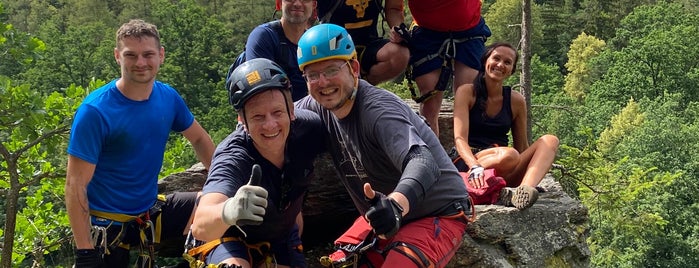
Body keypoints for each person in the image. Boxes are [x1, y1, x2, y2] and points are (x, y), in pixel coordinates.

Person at [295, 23, 470, 268]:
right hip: (383, 214)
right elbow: (275, 120)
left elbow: (423, 161)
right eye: (312, 75)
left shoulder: (378, 111)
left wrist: (396, 205)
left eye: (332, 69)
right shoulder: (318, 106)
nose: (323, 82)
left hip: (435, 212)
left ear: (354, 68)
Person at [65, 19, 215, 267]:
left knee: (216, 206)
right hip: (106, 227)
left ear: (161, 55)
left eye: (148, 54)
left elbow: (199, 138)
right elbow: (75, 185)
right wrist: (85, 251)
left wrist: (222, 179)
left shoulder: (167, 97)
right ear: (117, 56)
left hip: (147, 212)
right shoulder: (96, 111)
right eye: (130, 55)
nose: (141, 63)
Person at [188, 58, 325, 268]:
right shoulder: (234, 156)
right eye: (258, 116)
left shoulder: (310, 130)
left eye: (277, 112)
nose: (270, 125)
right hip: (228, 237)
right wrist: (229, 209)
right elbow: (200, 225)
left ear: (291, 111)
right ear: (242, 121)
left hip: (281, 236)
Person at [452, 42, 559, 210]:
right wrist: (474, 166)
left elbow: (522, 146)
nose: (500, 65)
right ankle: (499, 181)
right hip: (471, 163)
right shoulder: (467, 92)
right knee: (509, 155)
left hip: (505, 164)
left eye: (507, 62)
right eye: (496, 58)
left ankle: (523, 191)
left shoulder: (516, 101)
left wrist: (529, 168)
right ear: (486, 61)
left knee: (550, 140)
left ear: (511, 70)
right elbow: (459, 140)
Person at [406, 0, 491, 136]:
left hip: (468, 29)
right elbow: (393, 7)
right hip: (427, 30)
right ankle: (433, 154)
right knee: (429, 100)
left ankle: (463, 153)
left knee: (467, 95)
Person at [315, 0, 410, 85]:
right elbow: (307, 13)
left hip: (368, 43)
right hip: (332, 47)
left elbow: (394, 9)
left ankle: (363, 87)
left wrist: (399, 30)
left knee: (400, 54)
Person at [243, 0, 317, 101]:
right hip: (274, 113)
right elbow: (259, 91)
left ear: (313, 5)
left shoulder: (315, 42)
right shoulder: (264, 36)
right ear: (279, 4)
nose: (298, 4)